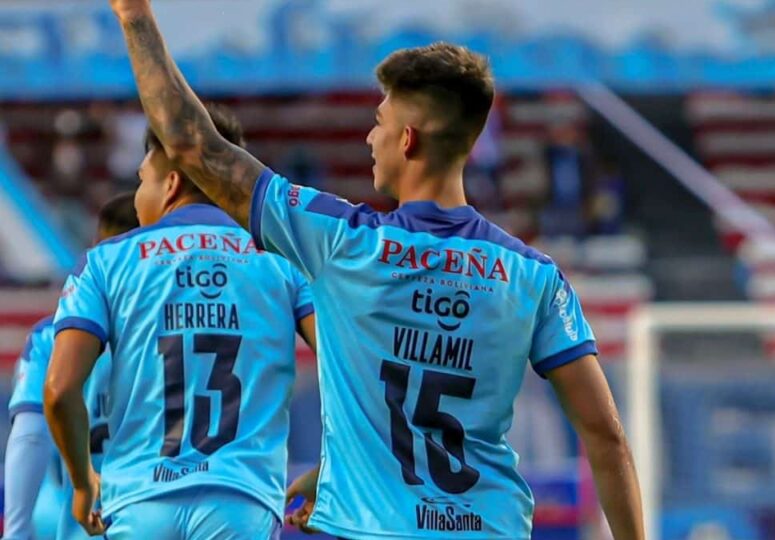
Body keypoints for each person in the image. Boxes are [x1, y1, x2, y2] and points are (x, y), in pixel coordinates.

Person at [109, 0, 645, 538]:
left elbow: (193, 145)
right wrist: (343, 469)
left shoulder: (345, 243)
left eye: (379, 122)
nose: (370, 137)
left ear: (407, 139)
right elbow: (606, 436)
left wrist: (135, 18)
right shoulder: (533, 276)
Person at [43, 104, 317, 539]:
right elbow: (350, 370)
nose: (138, 196)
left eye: (141, 180)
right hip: (241, 501)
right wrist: (331, 470)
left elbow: (59, 391)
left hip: (139, 502)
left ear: (170, 183)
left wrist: (80, 483)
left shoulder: (105, 261)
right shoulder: (284, 261)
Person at [3, 192, 139, 540]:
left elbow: (31, 435)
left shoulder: (51, 337)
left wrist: (16, 530)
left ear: (95, 247)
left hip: (84, 525)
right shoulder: (176, 332)